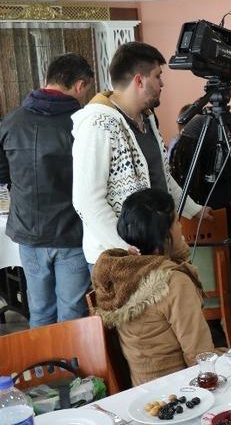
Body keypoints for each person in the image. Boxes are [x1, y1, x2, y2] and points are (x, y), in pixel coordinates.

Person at [72, 41, 210, 266]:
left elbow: (162, 176)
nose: (162, 83)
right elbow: (86, 200)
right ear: (139, 80)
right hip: (118, 257)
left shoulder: (147, 117)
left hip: (153, 249)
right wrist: (123, 246)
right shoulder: (98, 124)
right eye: (157, 76)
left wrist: (194, 209)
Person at [0, 53, 94, 328]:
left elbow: (2, 174)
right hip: (71, 232)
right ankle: (72, 358)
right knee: (72, 314)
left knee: (40, 310)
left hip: (28, 232)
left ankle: (41, 358)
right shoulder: (81, 123)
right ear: (79, 85)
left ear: (47, 79)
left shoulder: (11, 121)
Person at [91, 189, 215, 386]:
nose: (181, 227)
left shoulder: (122, 273)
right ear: (164, 235)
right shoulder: (173, 281)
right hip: (180, 390)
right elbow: (199, 357)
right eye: (176, 222)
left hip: (141, 389)